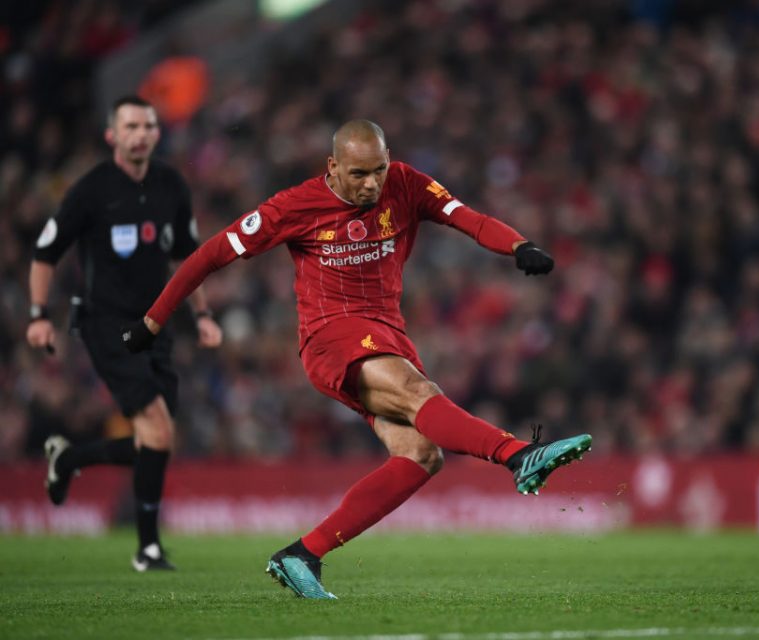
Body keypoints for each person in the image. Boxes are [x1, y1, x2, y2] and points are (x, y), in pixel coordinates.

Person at [122, 119, 591, 599]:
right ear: (333, 166)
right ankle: (518, 455)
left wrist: (518, 245)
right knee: (417, 394)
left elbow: (466, 217)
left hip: (388, 333)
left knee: (420, 455)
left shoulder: (406, 183)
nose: (371, 184)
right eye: (359, 174)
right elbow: (209, 255)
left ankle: (302, 554)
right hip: (331, 336)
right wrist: (153, 322)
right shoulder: (294, 205)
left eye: (379, 172)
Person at [26, 95, 223, 571]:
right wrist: (37, 314)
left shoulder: (171, 184)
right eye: (131, 125)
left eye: (148, 125)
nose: (141, 133)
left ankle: (70, 460)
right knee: (156, 430)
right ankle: (148, 548)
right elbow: (45, 252)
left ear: (157, 133)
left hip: (159, 322)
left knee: (156, 439)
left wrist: (202, 315)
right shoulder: (91, 190)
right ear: (112, 135)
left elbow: (188, 261)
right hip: (106, 323)